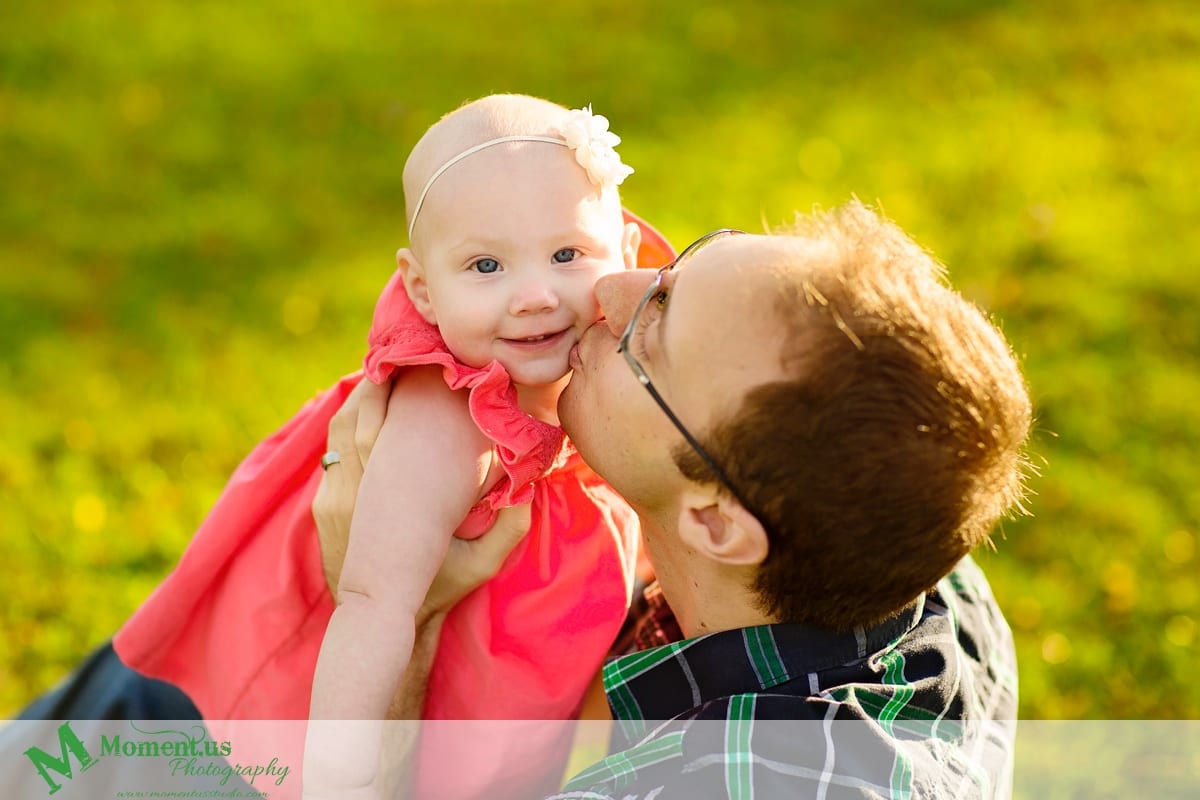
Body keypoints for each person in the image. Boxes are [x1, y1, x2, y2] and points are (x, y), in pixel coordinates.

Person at [53, 94, 673, 798]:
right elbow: (373, 600)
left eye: (567, 253)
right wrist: (341, 774)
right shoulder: (447, 421)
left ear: (624, 252)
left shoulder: (628, 350)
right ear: (422, 289)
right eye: (485, 267)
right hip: (335, 688)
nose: (534, 295)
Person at [313, 200, 1033, 799]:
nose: (609, 290)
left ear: (715, 521)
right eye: (675, 269)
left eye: (651, 333)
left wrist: (409, 617)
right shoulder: (931, 580)